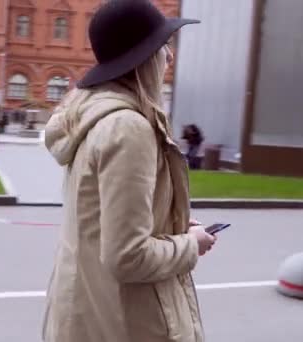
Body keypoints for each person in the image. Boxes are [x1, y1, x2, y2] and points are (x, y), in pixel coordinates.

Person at [42, 1, 214, 341]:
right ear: (145, 57)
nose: (170, 56)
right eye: (164, 45)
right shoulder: (127, 128)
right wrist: (190, 245)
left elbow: (103, 221)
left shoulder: (94, 116)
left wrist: (171, 226)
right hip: (122, 321)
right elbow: (128, 256)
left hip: (87, 312)